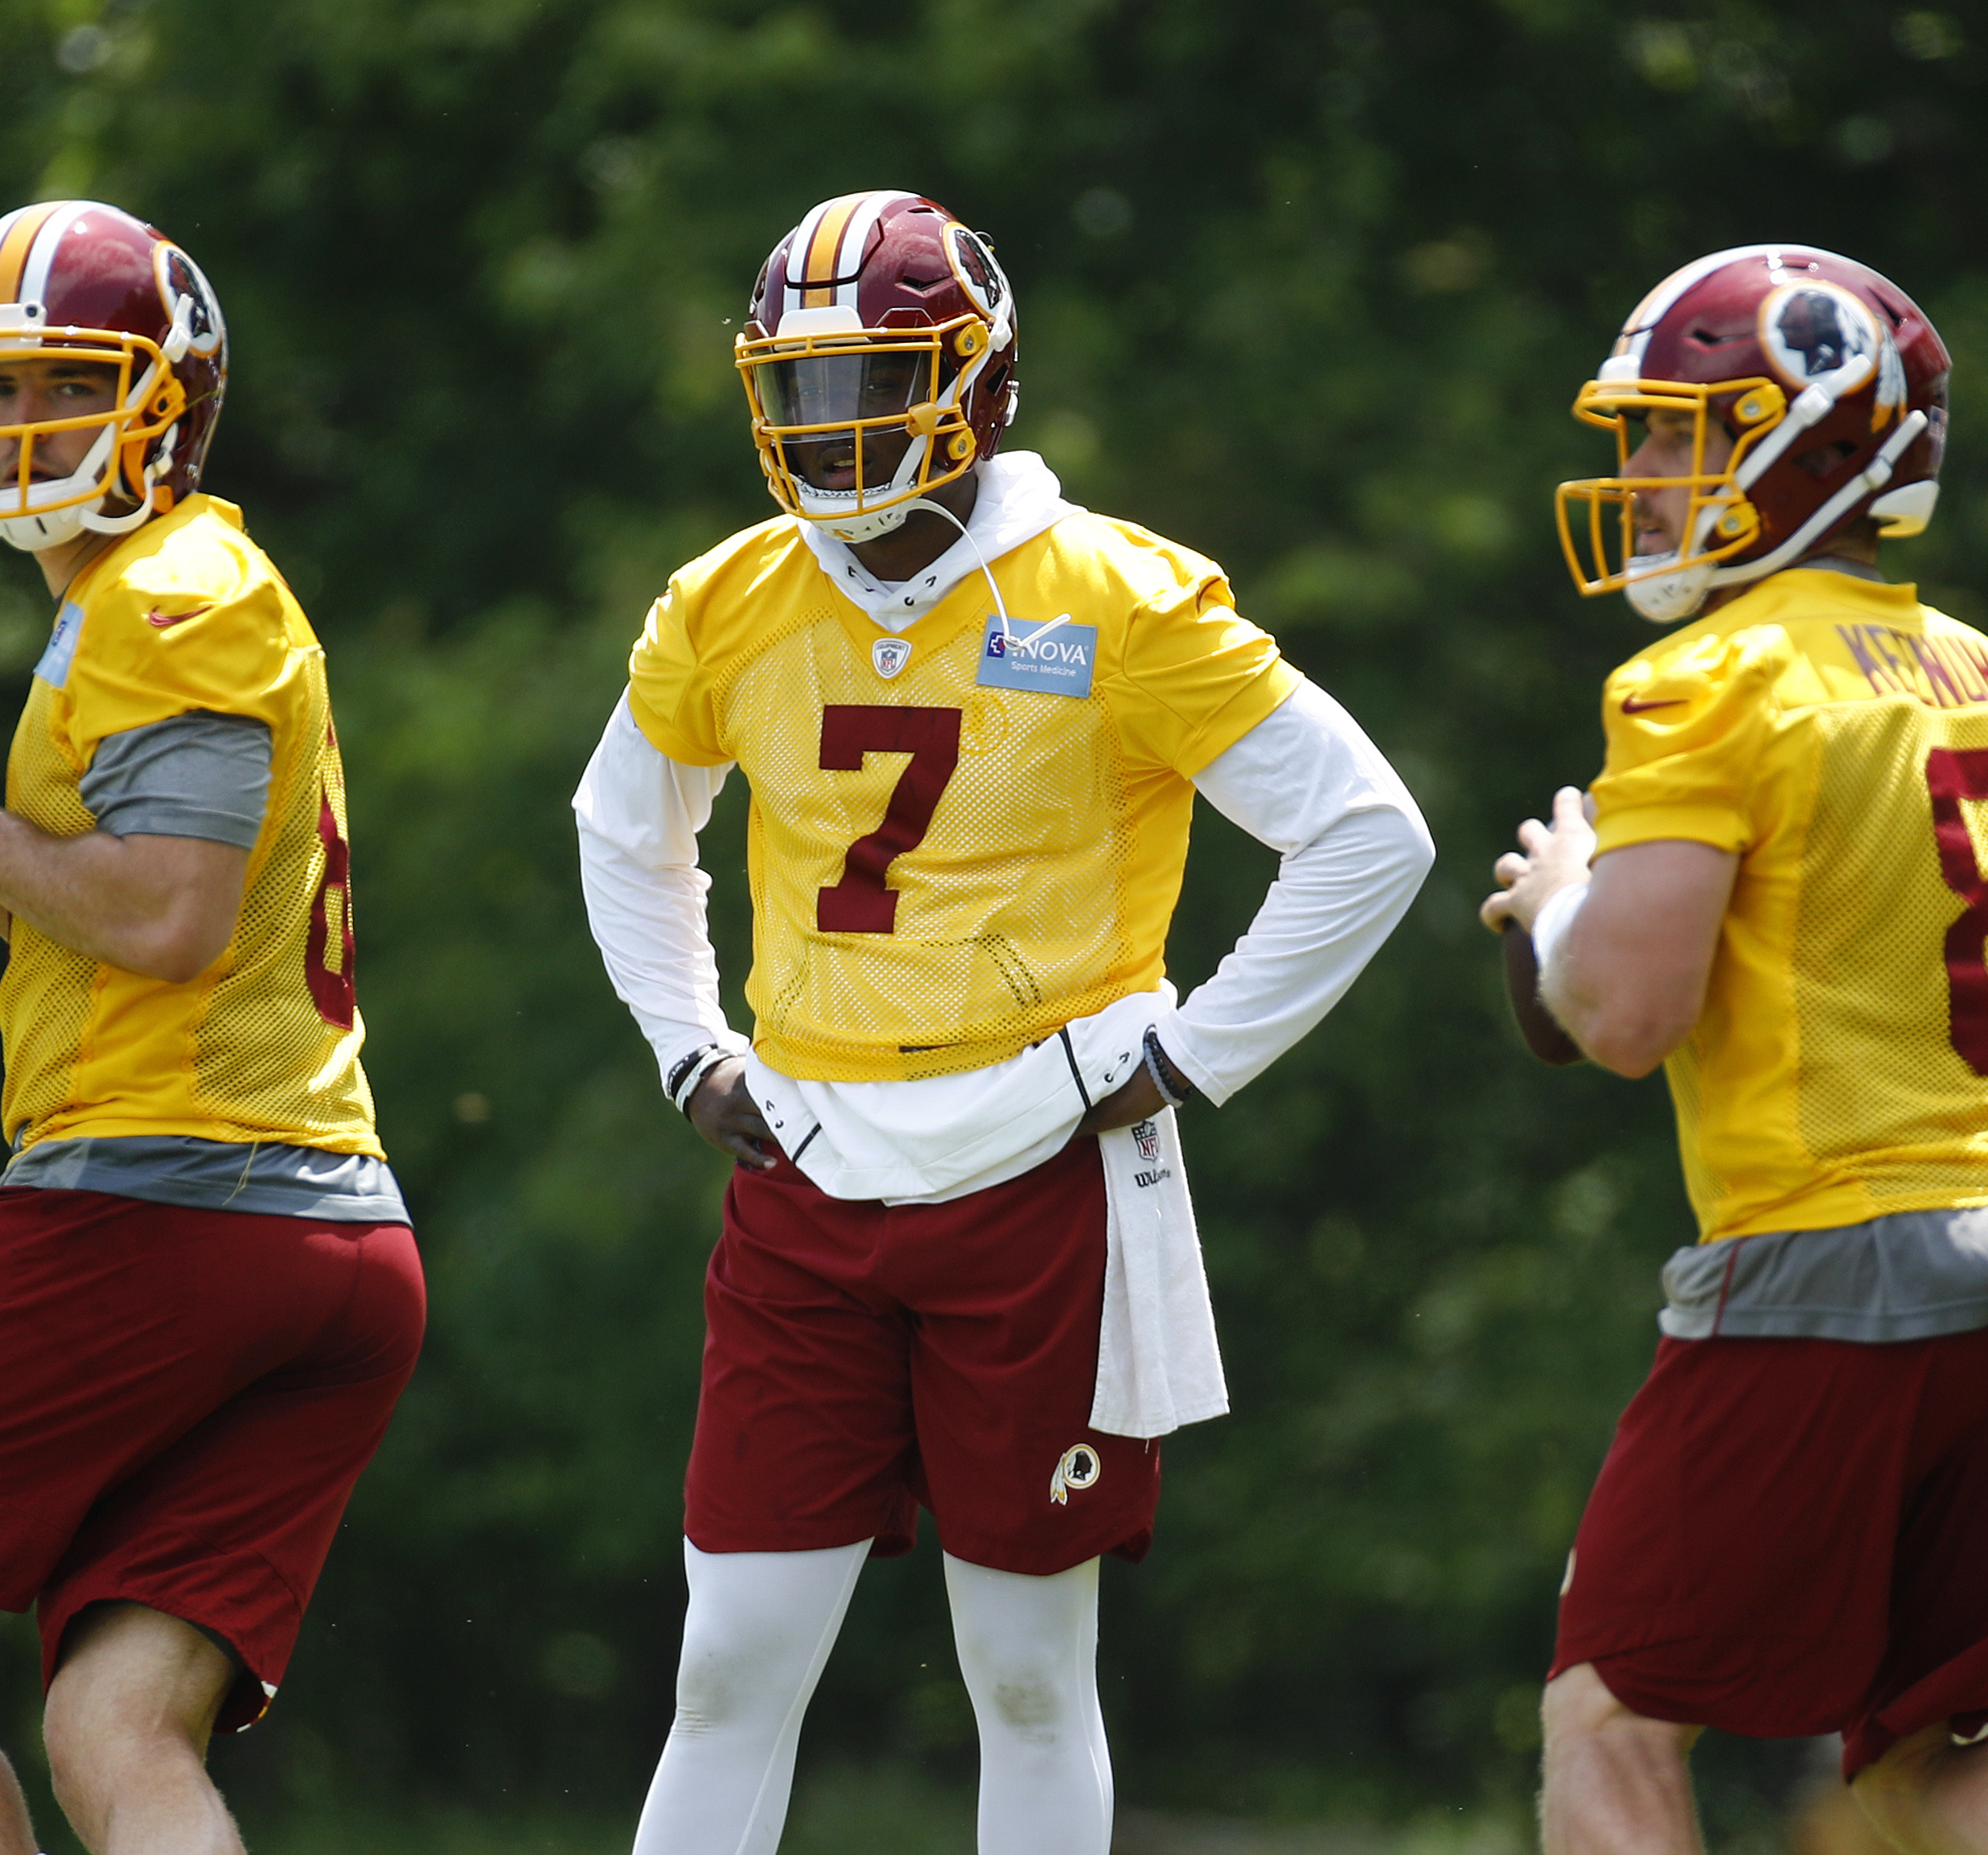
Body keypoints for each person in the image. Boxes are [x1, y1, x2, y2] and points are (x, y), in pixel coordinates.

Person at [575, 189, 1433, 1855]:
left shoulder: (1118, 595)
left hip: (1042, 1166)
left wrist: (1189, 1053)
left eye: (869, 382)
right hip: (811, 1162)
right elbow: (625, 825)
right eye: (801, 387)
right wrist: (688, 1042)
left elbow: (1366, 831)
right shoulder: (732, 598)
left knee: (1030, 1668)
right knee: (727, 1659)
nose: (832, 428)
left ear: (981, 384)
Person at [0, 199, 423, 1855]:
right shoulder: (129, 600)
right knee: (116, 1732)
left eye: (56, 384)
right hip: (321, 1235)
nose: (7, 425)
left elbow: (169, 922)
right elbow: (118, 907)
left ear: (164, 400)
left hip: (164, 1203)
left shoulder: (171, 592)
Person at [1481, 245, 1988, 1855]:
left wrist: (1556, 907)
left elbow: (1621, 1017)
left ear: (1816, 449)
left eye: (1678, 434)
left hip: (1838, 1264)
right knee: (1939, 1755)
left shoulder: (1709, 679)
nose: (1638, 474)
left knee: (1612, 1713)